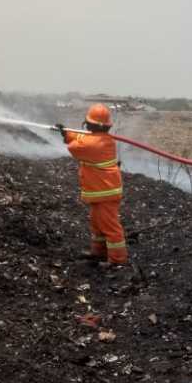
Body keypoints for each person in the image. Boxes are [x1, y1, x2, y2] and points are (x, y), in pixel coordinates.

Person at [60, 104, 128, 266]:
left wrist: (67, 136)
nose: (86, 125)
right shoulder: (103, 140)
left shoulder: (92, 144)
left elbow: (75, 146)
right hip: (102, 191)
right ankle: (98, 252)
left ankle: (117, 261)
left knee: (110, 227)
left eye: (88, 122)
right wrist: (67, 132)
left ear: (91, 124)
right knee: (98, 224)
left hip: (105, 192)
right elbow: (82, 138)